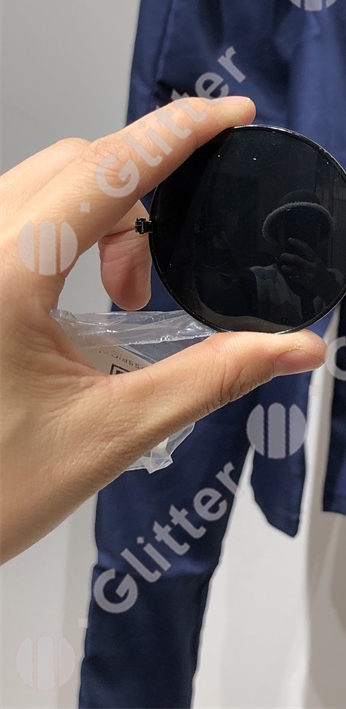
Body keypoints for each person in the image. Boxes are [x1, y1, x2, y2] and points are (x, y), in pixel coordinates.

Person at [0, 96, 327, 564]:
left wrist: (318, 284)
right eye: (286, 233)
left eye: (313, 234)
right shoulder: (248, 286)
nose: (296, 244)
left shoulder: (309, 286)